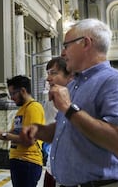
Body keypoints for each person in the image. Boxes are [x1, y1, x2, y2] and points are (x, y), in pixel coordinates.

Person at [20, 18, 118, 187]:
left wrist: (68, 108)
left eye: (66, 45)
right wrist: (41, 131)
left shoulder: (116, 82)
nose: (63, 53)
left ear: (85, 43)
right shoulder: (76, 84)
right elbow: (70, 127)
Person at [0, 75, 45, 187]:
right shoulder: (22, 110)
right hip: (18, 161)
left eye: (13, 94)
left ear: (23, 91)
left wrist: (4, 135)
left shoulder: (34, 108)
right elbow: (14, 133)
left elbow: (29, 140)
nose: (12, 98)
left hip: (28, 162)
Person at [43, 57, 73, 187]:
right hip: (53, 165)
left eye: (53, 73)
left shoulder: (79, 97)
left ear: (69, 76)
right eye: (48, 73)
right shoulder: (51, 100)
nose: (48, 78)